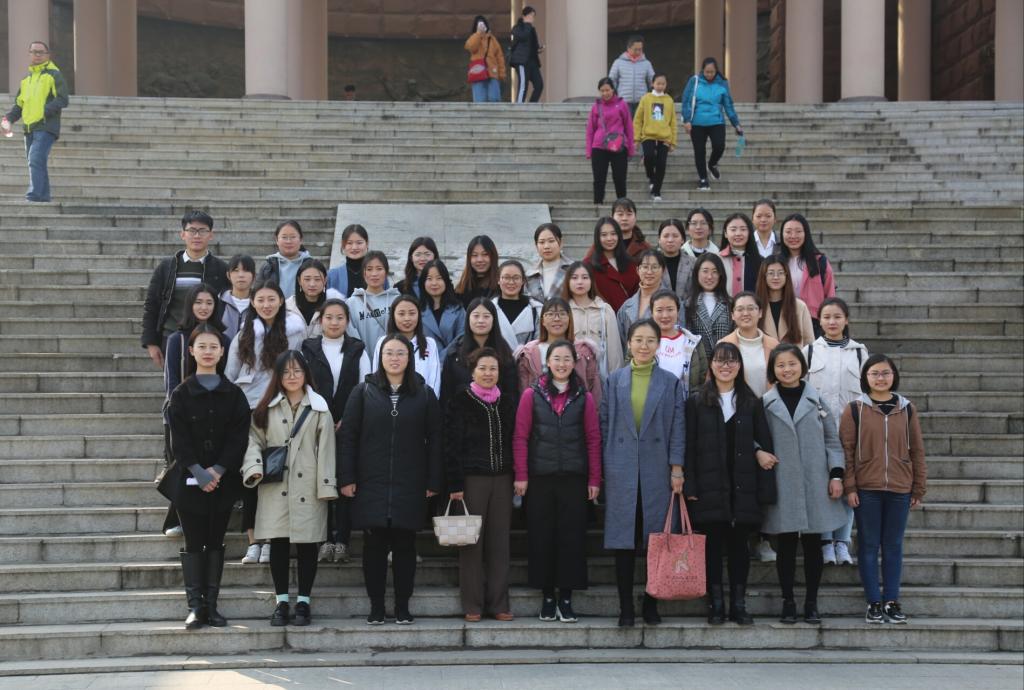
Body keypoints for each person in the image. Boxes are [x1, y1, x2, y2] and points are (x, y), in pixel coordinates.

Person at [339, 334, 444, 625]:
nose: (394, 358)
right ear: (380, 357)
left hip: (410, 482)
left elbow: (436, 439)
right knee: (373, 548)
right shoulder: (363, 392)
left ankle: (402, 606)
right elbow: (348, 437)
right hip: (370, 482)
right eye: (389, 353)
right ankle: (376, 606)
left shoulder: (424, 394)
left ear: (409, 358)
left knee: (405, 547)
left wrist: (433, 481)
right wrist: (346, 477)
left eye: (400, 353)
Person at [242, 350, 336, 626]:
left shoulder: (319, 408)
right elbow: (253, 441)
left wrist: (327, 486)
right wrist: (253, 467)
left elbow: (327, 450)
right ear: (278, 376)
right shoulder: (266, 408)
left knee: (308, 545)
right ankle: (281, 601)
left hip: (309, 486)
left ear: (306, 373)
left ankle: (303, 602)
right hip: (275, 485)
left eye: (297, 371)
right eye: (286, 371)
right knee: (279, 544)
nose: (292, 376)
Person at [685, 341, 776, 625]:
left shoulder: (751, 402)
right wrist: (690, 486)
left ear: (739, 366)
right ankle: (716, 603)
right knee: (711, 548)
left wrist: (765, 490)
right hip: (709, 486)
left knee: (740, 548)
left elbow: (764, 444)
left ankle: (738, 603)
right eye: (720, 360)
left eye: (732, 361)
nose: (726, 366)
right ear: (711, 365)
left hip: (742, 487)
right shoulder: (696, 401)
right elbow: (689, 447)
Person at [601, 319, 685, 627]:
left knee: (656, 540)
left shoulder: (670, 382)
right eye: (638, 340)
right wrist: (606, 463)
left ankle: (652, 604)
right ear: (629, 343)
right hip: (621, 468)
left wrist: (677, 468)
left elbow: (678, 428)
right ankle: (626, 608)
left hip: (657, 469)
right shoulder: (614, 380)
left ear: (658, 344)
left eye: (650, 340)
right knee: (623, 541)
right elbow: (604, 423)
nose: (644, 346)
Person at [166, 325, 251, 630]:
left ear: (222, 351)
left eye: (213, 346)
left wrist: (218, 470)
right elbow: (178, 440)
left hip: (223, 481)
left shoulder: (234, 394)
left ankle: (212, 607)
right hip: (189, 480)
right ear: (191, 351)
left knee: (215, 542)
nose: (207, 351)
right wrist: (199, 471)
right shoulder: (181, 394)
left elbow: (238, 438)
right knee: (194, 542)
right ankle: (194, 607)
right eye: (201, 346)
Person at [513, 340, 602, 623]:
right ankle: (548, 597)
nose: (562, 364)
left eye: (567, 359)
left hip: (574, 478)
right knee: (542, 538)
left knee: (571, 539)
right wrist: (521, 475)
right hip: (540, 477)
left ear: (574, 363)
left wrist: (594, 478)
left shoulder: (583, 397)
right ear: (547, 362)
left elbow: (593, 439)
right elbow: (521, 436)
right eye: (556, 359)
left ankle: (566, 597)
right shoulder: (532, 394)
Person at [761, 344, 848, 625]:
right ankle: (788, 601)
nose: (787, 369)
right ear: (773, 370)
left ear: (802, 366)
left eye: (792, 364)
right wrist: (758, 452)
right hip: (782, 481)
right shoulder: (765, 403)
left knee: (813, 544)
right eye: (780, 365)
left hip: (815, 480)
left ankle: (811, 602)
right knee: (785, 545)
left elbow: (832, 440)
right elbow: (754, 437)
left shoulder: (817, 400)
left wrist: (836, 474)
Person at [841, 354, 927, 625]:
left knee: (893, 545)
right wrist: (850, 486)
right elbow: (846, 451)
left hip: (900, 488)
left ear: (894, 376)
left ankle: (891, 601)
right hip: (866, 488)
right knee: (868, 544)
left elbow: (917, 450)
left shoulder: (907, 408)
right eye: (874, 373)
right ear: (865, 377)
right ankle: (874, 603)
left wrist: (918, 487)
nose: (880, 378)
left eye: (885, 373)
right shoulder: (855, 409)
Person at [226, 279, 306, 565]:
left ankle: (272, 540)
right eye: (260, 300)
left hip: (281, 408)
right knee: (252, 474)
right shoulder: (244, 334)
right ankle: (253, 542)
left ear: (281, 301)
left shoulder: (295, 331)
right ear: (253, 302)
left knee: (275, 477)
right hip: (249, 410)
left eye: (271, 299)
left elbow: (299, 369)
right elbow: (230, 374)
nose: (266, 305)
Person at [445, 347, 516, 622]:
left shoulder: (506, 402)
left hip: (503, 479)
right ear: (472, 371)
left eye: (493, 369)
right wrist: (454, 483)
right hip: (471, 480)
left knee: (500, 543)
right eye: (483, 368)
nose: (488, 373)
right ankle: (472, 604)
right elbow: (451, 445)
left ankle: (499, 603)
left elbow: (515, 440)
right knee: (471, 543)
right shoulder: (460, 400)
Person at [301, 299, 372, 564]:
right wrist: (322, 417)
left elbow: (365, 386)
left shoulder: (357, 349)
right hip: (315, 425)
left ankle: (342, 540)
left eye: (339, 317)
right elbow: (303, 385)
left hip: (348, 427)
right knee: (320, 482)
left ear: (347, 321)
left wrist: (347, 419)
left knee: (344, 482)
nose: (334, 322)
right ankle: (323, 540)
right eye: (329, 317)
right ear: (320, 321)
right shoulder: (307, 348)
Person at [804, 297, 869, 566]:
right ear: (819, 320)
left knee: (847, 483)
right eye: (827, 317)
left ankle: (842, 542)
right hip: (818, 429)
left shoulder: (859, 352)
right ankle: (825, 542)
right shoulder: (809, 351)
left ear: (846, 320)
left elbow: (867, 391)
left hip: (851, 429)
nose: (832, 322)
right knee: (823, 485)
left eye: (837, 317)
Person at [141, 210, 229, 368]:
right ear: (182, 234)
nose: (197, 236)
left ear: (211, 235)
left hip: (207, 339)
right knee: (175, 380)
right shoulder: (167, 267)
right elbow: (152, 304)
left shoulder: (221, 268)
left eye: (202, 231)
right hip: (172, 336)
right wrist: (151, 342)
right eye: (192, 231)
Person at [3, 41, 68, 202]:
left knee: (35, 159)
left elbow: (62, 99)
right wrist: (8, 119)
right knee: (36, 161)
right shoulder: (26, 79)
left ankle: (34, 195)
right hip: (29, 127)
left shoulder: (54, 74)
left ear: (48, 55)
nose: (37, 55)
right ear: (29, 54)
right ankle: (43, 197)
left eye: (41, 52)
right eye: (34, 52)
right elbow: (19, 105)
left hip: (46, 126)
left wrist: (44, 111)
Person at [515, 298, 602, 405]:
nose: (556, 319)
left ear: (569, 319)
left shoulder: (584, 351)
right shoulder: (529, 353)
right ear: (542, 320)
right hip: (539, 411)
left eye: (562, 314)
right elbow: (523, 391)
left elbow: (594, 391)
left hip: (576, 410)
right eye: (551, 314)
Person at [440, 298, 517, 409]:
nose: (481, 321)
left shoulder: (503, 351)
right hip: (461, 414)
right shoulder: (455, 351)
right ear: (468, 319)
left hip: (497, 414)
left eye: (486, 316)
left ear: (494, 319)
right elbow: (446, 392)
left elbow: (512, 393)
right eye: (476, 316)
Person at [681, 57, 742, 191]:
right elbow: (686, 101)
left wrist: (736, 123)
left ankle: (712, 164)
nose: (709, 74)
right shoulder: (694, 81)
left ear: (716, 71)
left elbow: (728, 104)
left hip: (716, 121)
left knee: (719, 146)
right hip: (697, 122)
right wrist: (686, 120)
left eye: (712, 72)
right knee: (699, 151)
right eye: (707, 72)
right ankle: (703, 179)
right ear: (702, 70)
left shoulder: (722, 83)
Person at [370, 295, 442, 397]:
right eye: (401, 314)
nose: (407, 318)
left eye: (412, 313)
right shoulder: (383, 342)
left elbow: (434, 379)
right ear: (393, 316)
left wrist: (429, 401)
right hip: (388, 400)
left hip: (422, 401)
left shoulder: (429, 344)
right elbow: (377, 376)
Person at [563, 261, 624, 378]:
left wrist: (615, 380)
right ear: (567, 282)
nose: (580, 282)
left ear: (591, 281)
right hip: (571, 376)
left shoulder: (604, 310)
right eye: (574, 278)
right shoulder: (563, 311)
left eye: (585, 277)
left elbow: (614, 350)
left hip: (600, 376)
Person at [779, 213, 836, 336]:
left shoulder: (820, 262)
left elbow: (830, 294)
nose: (793, 236)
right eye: (788, 232)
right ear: (782, 234)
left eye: (798, 231)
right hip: (783, 318)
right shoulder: (776, 262)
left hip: (814, 321)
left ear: (806, 234)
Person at [718, 292, 780, 398]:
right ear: (732, 315)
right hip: (737, 405)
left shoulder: (774, 345)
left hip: (770, 405)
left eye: (751, 308)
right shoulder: (723, 345)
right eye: (740, 309)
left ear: (760, 313)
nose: (745, 313)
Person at [586, 78, 634, 205]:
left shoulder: (622, 104)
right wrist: (589, 150)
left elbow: (629, 127)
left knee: (620, 178)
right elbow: (590, 129)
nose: (605, 93)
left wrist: (630, 148)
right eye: (602, 91)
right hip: (599, 147)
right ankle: (598, 204)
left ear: (613, 89)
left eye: (607, 90)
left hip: (619, 146)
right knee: (599, 179)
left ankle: (622, 205)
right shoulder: (596, 106)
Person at [345, 250, 401, 355]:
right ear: (364, 273)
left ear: (386, 272)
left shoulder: (397, 301)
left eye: (379, 269)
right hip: (361, 359)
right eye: (369, 269)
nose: (374, 274)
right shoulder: (351, 303)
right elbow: (350, 336)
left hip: (391, 359)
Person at [651, 289, 707, 393]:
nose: (665, 315)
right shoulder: (642, 342)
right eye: (659, 310)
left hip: (686, 401)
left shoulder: (693, 342)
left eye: (670, 309)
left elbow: (702, 376)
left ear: (677, 311)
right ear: (652, 313)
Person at [633, 74, 677, 202]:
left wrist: (673, 141)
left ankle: (656, 191)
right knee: (649, 156)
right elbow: (637, 119)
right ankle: (651, 177)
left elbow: (673, 122)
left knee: (661, 164)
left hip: (664, 137)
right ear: (652, 84)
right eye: (658, 83)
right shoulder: (646, 98)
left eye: (663, 84)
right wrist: (636, 139)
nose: (660, 86)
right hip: (648, 135)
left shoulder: (669, 100)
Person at [616, 249, 674, 345]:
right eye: (645, 267)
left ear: (663, 270)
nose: (649, 272)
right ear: (638, 270)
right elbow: (620, 343)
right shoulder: (626, 306)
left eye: (654, 267)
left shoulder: (673, 303)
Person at [584, 217, 638, 312]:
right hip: (602, 317)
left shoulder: (631, 263)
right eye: (604, 235)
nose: (609, 238)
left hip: (631, 317)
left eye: (613, 234)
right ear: (597, 238)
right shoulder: (589, 265)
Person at [755, 257, 814, 347]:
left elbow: (809, 343)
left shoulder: (799, 306)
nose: (776, 277)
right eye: (771, 273)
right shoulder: (755, 306)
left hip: (794, 355)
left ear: (786, 276)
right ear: (764, 276)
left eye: (780, 273)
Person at [684, 253, 732, 360]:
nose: (710, 276)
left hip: (725, 362)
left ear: (720, 274)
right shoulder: (687, 305)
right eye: (705, 271)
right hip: (699, 363)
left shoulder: (730, 303)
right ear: (697, 273)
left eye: (715, 272)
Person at [418, 259, 465, 362]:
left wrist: (442, 358)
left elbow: (462, 337)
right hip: (425, 363)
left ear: (446, 281)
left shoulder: (458, 309)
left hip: (452, 362)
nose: (434, 283)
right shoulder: (416, 310)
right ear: (423, 282)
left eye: (439, 278)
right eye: (429, 279)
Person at [286, 259, 345, 338]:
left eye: (317, 279)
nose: (312, 284)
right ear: (299, 280)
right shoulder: (288, 307)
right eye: (307, 279)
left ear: (325, 280)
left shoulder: (335, 306)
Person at [493, 260, 543, 351]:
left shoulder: (536, 309)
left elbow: (539, 343)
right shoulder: (490, 308)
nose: (511, 282)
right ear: (498, 280)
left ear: (523, 280)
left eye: (516, 278)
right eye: (506, 277)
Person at [256, 221, 311, 300]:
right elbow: (257, 293)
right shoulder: (268, 266)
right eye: (284, 237)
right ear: (277, 240)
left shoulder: (311, 265)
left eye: (293, 237)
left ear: (301, 239)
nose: (288, 241)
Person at [524, 223, 574, 303]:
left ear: (561, 243)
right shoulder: (530, 275)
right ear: (536, 246)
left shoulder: (573, 270)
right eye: (541, 242)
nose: (546, 246)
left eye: (551, 241)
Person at [327, 224, 380, 298]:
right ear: (343, 245)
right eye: (349, 243)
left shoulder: (378, 273)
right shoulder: (333, 275)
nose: (354, 247)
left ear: (367, 243)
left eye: (359, 243)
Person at [607, 35, 655, 115]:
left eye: (640, 49)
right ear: (628, 48)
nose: (638, 52)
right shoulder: (618, 62)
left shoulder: (647, 63)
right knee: (625, 123)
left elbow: (653, 80)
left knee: (639, 123)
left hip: (642, 101)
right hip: (623, 101)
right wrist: (612, 96)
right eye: (635, 49)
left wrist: (654, 94)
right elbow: (611, 80)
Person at [719, 213, 763, 296]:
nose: (738, 233)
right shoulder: (717, 259)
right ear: (725, 233)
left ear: (749, 232)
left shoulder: (760, 261)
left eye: (743, 229)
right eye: (733, 229)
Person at [465, 16, 505, 103]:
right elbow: (471, 47)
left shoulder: (492, 39)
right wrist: (478, 34)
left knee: (494, 99)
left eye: (483, 24)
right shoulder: (473, 38)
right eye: (479, 25)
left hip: (492, 73)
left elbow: (499, 57)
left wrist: (501, 73)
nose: (481, 26)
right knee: (479, 100)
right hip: (478, 73)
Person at [454, 235, 500, 307]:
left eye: (485, 254)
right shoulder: (462, 287)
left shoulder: (501, 285)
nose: (480, 260)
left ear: (493, 256)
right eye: (474, 255)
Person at [510, 6, 543, 103]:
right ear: (524, 16)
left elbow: (534, 45)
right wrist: (527, 24)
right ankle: (519, 106)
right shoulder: (518, 28)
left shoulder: (531, 29)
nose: (532, 18)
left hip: (532, 61)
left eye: (533, 16)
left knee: (539, 84)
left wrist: (539, 49)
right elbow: (523, 36)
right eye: (530, 15)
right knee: (523, 85)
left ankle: (531, 105)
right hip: (521, 60)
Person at [655, 218, 692, 300]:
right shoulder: (652, 263)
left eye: (675, 236)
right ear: (659, 239)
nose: (670, 240)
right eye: (666, 236)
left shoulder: (693, 263)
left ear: (682, 239)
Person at [220, 254, 256, 340]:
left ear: (254, 276)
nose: (241, 275)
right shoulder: (218, 302)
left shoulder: (259, 304)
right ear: (228, 275)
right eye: (236, 270)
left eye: (246, 270)